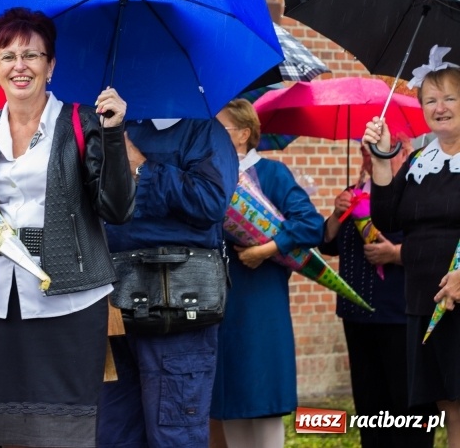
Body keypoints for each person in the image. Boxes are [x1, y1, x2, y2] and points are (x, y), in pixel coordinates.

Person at [0, 7, 135, 448]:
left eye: (32, 55)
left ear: (50, 66)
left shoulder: (82, 122)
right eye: (8, 56)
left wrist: (114, 134)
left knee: (66, 428)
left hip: (69, 302)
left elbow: (116, 208)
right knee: (1, 429)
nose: (20, 66)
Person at [96, 84, 240, 448]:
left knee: (174, 432)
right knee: (114, 432)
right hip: (112, 302)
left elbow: (210, 203)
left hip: (177, 303)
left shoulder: (203, 131)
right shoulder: (105, 127)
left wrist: (142, 167)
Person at [205, 99, 323, 448]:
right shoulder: (210, 177)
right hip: (222, 301)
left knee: (263, 398)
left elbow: (310, 225)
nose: (212, 136)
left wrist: (266, 250)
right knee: (233, 403)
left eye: (220, 128)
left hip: (261, 302)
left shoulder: (272, 174)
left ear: (243, 134)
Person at [364, 45, 460, 447]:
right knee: (444, 401)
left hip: (458, 296)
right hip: (422, 298)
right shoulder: (422, 158)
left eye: (450, 97)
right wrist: (383, 158)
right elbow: (388, 219)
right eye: (430, 99)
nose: (439, 107)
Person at [321, 139, 437, 448]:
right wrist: (335, 214)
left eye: (377, 150)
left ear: (402, 151)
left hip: (401, 311)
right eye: (364, 151)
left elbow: (433, 247)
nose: (369, 157)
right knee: (369, 404)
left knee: (407, 402)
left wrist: (394, 253)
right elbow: (328, 243)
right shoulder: (354, 193)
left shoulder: (416, 190)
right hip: (357, 312)